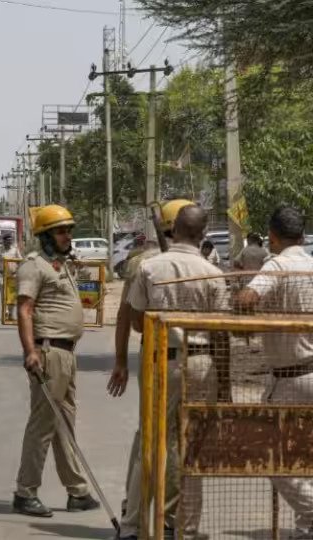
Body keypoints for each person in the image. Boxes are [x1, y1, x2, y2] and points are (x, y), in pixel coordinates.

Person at [118, 204, 227, 540]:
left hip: (159, 359)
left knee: (151, 444)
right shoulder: (212, 272)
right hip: (202, 362)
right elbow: (221, 333)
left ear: (174, 229)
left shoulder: (149, 267)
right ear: (203, 234)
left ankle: (133, 525)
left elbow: (136, 322)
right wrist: (225, 383)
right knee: (191, 448)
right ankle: (182, 528)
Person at [12, 204, 100, 518]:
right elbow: (24, 310)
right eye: (61, 231)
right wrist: (30, 352)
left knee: (64, 424)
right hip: (48, 352)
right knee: (42, 425)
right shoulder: (33, 266)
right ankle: (25, 492)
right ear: (47, 236)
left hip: (66, 353)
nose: (67, 236)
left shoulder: (60, 265)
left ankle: (77, 491)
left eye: (69, 231)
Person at [107, 200, 188, 521]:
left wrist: (121, 361)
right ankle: (153, 517)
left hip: (164, 358)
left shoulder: (150, 263)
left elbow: (125, 318)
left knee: (154, 436)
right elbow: (129, 318)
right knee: (162, 438)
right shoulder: (146, 264)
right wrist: (120, 361)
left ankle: (143, 513)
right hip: (170, 357)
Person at [235, 206, 313, 538]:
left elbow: (247, 298)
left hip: (291, 377)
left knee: (270, 454)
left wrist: (242, 312)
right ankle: (306, 528)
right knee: (305, 455)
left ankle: (311, 513)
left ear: (272, 236)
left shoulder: (278, 265)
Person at [0, 233, 22, 320]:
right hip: (2, 275)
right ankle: (5, 311)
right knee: (4, 294)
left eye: (10, 241)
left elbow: (20, 261)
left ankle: (11, 314)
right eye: (8, 241)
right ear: (4, 241)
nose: (9, 242)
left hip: (13, 275)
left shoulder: (15, 250)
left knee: (11, 295)